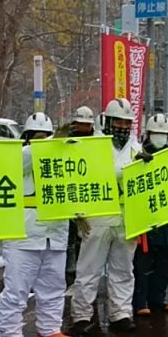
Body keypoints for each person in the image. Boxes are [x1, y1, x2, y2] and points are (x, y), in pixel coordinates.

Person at [0, 112, 76, 337]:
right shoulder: (20, 157)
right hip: (24, 236)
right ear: (28, 138)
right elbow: (22, 160)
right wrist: (49, 145)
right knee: (17, 289)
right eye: (38, 137)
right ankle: (11, 334)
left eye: (47, 137)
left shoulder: (60, 158)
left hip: (55, 233)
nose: (44, 142)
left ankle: (50, 329)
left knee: (53, 287)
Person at [68, 98, 141, 336]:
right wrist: (77, 212)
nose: (122, 126)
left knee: (123, 269)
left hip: (127, 217)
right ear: (107, 121)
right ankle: (81, 315)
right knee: (89, 268)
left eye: (126, 122)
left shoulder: (136, 148)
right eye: (118, 121)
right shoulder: (93, 145)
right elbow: (80, 179)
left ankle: (120, 313)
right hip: (98, 215)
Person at [133, 113, 168, 316]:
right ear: (148, 134)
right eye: (155, 133)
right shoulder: (138, 156)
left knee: (165, 263)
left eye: (163, 134)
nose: (159, 137)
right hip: (147, 219)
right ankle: (140, 302)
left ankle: (158, 298)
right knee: (143, 264)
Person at [65, 106, 97, 284]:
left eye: (87, 125)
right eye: (80, 124)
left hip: (89, 194)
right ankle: (70, 269)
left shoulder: (97, 143)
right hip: (69, 191)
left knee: (85, 235)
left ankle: (82, 269)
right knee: (70, 234)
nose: (83, 128)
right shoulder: (65, 142)